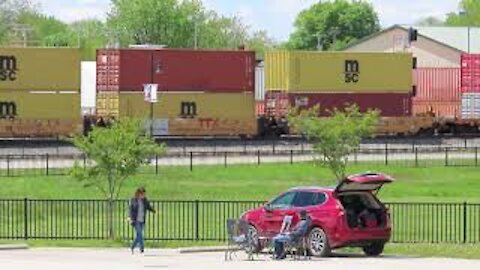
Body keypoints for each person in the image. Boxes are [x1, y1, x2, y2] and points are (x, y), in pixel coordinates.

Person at [129, 187, 155, 254]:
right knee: (140, 234)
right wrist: (131, 219)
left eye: (144, 194)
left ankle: (132, 246)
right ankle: (142, 248)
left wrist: (153, 210)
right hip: (136, 220)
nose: (144, 195)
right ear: (139, 193)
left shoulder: (145, 200)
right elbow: (131, 210)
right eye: (142, 194)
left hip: (142, 220)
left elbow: (148, 206)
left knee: (138, 236)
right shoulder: (133, 200)